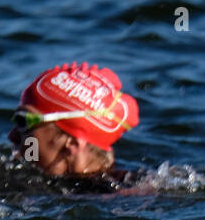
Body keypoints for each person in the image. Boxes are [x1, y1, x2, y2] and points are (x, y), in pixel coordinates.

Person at [8, 62, 140, 180]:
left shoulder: (124, 198)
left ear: (73, 144)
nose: (12, 136)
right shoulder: (134, 187)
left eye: (23, 121)